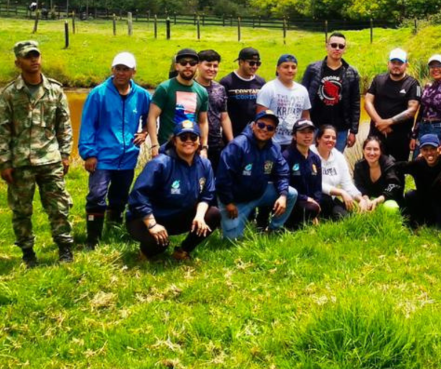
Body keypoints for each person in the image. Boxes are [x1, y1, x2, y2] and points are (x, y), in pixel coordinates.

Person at [0, 40, 74, 266]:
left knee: (58, 207)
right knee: (21, 211)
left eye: (36, 55)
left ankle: (65, 249)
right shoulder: (10, 93)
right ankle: (28, 253)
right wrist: (4, 162)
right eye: (27, 56)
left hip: (50, 159)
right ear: (17, 62)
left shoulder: (55, 89)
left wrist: (65, 154)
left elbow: (64, 125)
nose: (33, 60)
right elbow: (2, 129)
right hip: (21, 161)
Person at [79, 51, 152, 249]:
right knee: (96, 195)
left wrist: (144, 132)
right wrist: (89, 153)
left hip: (128, 155)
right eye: (118, 69)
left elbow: (151, 117)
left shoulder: (142, 95)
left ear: (133, 72)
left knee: (119, 196)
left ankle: (113, 228)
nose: (121, 73)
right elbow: (87, 124)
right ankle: (92, 239)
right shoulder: (98, 94)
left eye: (125, 69)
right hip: (102, 155)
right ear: (112, 70)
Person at [126, 120, 220, 261]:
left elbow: (207, 194)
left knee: (213, 214)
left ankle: (183, 251)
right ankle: (145, 254)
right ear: (174, 141)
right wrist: (152, 224)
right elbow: (138, 195)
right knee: (159, 244)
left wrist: (199, 216)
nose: (188, 141)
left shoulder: (204, 164)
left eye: (193, 137)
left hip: (177, 216)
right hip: (145, 219)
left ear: (199, 141)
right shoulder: (160, 163)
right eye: (183, 137)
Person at [215, 110, 298, 239]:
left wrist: (282, 195)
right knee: (232, 241)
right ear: (253, 125)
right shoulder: (237, 145)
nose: (265, 129)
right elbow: (223, 178)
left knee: (291, 194)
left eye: (270, 128)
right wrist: (228, 202)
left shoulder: (274, 148)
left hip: (259, 193)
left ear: (274, 132)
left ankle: (273, 229)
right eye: (261, 125)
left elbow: (282, 172)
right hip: (235, 200)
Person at [301, 32, 361, 152]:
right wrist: (303, 125)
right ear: (326, 46)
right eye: (333, 45)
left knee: (334, 164)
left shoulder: (352, 72)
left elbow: (355, 103)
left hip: (341, 129)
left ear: (345, 49)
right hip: (315, 126)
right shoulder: (313, 69)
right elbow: (302, 98)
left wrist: (353, 131)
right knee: (312, 163)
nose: (337, 49)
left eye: (341, 46)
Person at [147, 48, 209, 158]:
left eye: (192, 63)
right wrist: (154, 145)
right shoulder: (164, 88)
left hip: (190, 148)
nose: (188, 66)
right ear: (177, 66)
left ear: (197, 66)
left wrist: (203, 147)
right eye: (183, 63)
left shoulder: (202, 92)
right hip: (167, 149)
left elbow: (203, 122)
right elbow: (152, 117)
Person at [365, 48, 421, 161]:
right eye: (393, 62)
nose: (396, 66)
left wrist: (389, 122)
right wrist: (380, 123)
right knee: (371, 167)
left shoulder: (413, 84)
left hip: (400, 137)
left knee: (398, 172)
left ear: (406, 65)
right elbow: (367, 102)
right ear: (388, 64)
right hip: (376, 133)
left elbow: (412, 110)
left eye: (400, 63)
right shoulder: (378, 79)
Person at [395, 134, 441, 229]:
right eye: (425, 150)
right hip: (424, 203)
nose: (429, 153)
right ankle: (415, 222)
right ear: (420, 151)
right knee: (410, 194)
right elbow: (396, 167)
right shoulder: (418, 163)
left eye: (432, 149)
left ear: (440, 149)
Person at [311, 124, 367, 219]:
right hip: (311, 196)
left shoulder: (338, 156)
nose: (331, 140)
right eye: (327, 137)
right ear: (318, 139)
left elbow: (347, 183)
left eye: (334, 138)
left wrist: (360, 199)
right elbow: (315, 183)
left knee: (346, 217)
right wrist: (341, 192)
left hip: (330, 196)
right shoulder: (310, 153)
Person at [256, 54, 311, 150]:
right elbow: (260, 117)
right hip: (272, 143)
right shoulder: (269, 88)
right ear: (278, 69)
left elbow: (305, 117)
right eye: (286, 67)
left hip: (294, 143)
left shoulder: (302, 90)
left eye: (293, 67)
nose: (290, 70)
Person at [411, 54, 441, 154]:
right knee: (418, 159)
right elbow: (421, 111)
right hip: (423, 127)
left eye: (439, 66)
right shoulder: (427, 86)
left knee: (437, 158)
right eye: (432, 67)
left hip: (438, 128)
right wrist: (414, 135)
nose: (435, 69)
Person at [195, 49, 233, 171]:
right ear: (198, 65)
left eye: (215, 66)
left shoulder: (220, 88)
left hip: (216, 143)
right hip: (193, 141)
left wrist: (231, 142)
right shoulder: (190, 87)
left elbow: (224, 117)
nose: (212, 69)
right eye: (208, 65)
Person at [283, 119, 322, 228]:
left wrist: (317, 202)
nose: (307, 136)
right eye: (302, 132)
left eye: (310, 132)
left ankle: (312, 217)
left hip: (310, 202)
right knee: (311, 208)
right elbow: (284, 186)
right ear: (294, 136)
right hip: (293, 201)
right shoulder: (287, 156)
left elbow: (318, 187)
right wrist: (305, 198)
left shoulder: (315, 158)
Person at [220, 47, 266, 137]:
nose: (255, 66)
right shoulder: (227, 82)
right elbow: (222, 113)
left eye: (258, 63)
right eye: (251, 63)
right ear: (241, 62)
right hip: (233, 135)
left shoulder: (261, 83)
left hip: (254, 136)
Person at [353, 136, 403, 212]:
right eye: (368, 149)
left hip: (387, 198)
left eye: (375, 149)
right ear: (363, 150)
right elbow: (359, 185)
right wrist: (366, 199)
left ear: (380, 151)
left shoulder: (389, 164)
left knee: (391, 208)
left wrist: (377, 201)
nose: (372, 153)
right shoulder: (359, 166)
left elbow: (393, 185)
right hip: (369, 198)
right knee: (352, 203)